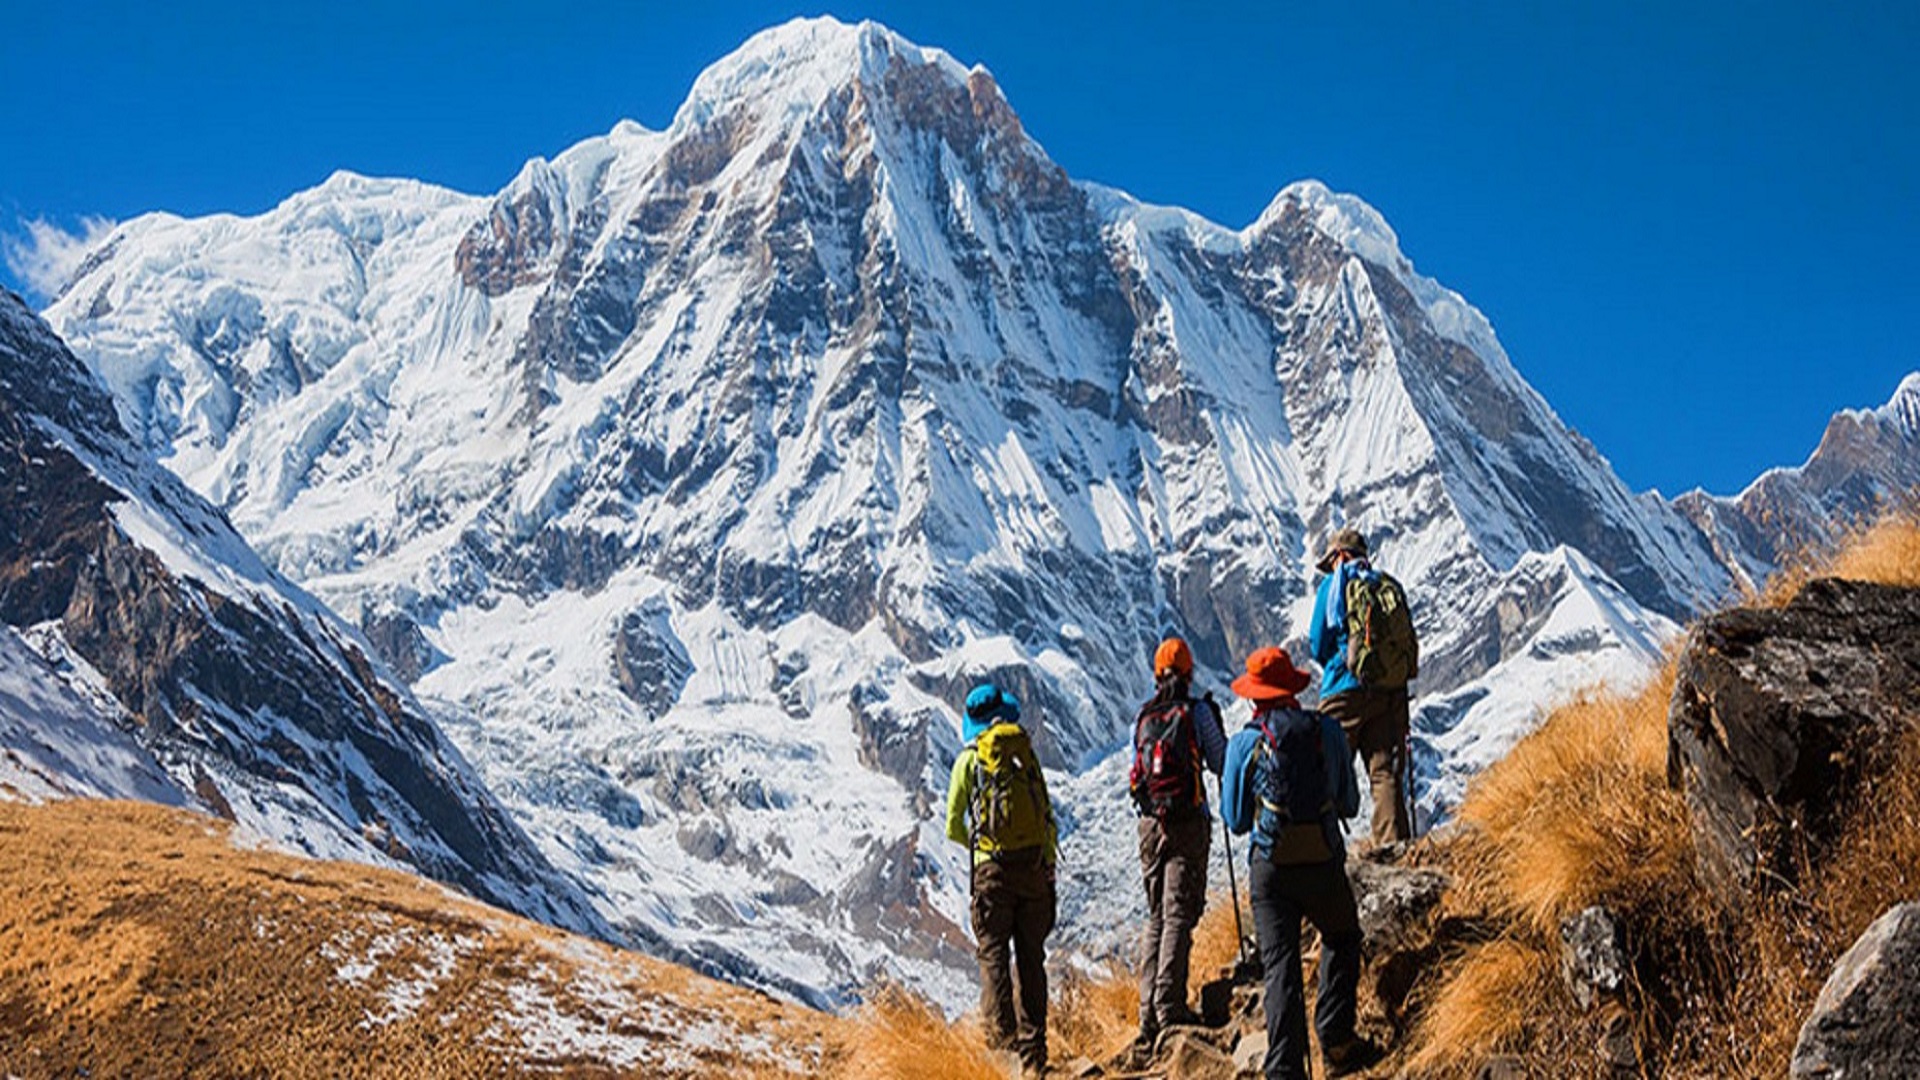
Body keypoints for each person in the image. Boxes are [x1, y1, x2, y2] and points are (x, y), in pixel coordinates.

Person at [1221, 646, 1373, 1079]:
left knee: (1279, 964)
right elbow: (1348, 803)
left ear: (1254, 697)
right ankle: (1336, 1037)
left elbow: (1234, 820)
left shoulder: (1244, 743)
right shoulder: (1326, 730)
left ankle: (1285, 1068)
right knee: (1342, 936)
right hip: (1323, 859)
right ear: (1292, 688)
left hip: (1271, 869)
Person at [945, 682, 1058, 1077]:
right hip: (1031, 868)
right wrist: (1047, 863)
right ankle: (1034, 1054)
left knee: (993, 956)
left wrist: (980, 847)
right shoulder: (1023, 752)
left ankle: (1003, 1052)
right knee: (1031, 959)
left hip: (990, 871)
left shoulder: (968, 762)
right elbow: (1045, 813)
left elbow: (952, 825)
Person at [1127, 637, 1229, 1054]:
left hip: (1150, 824)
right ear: (1188, 672)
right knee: (1178, 913)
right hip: (1187, 821)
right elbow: (1221, 761)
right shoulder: (1197, 710)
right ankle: (1170, 1007)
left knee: (1156, 916)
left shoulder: (1144, 716)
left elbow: (1136, 773)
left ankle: (1147, 1013)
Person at [1309, 527, 1419, 846]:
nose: (1330, 567)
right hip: (1386, 691)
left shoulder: (1334, 585)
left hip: (1342, 691)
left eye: (1331, 560)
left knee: (1324, 774)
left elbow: (1317, 643)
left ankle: (1321, 854)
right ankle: (1395, 848)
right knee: (1384, 772)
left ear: (1340, 555)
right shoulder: (1386, 585)